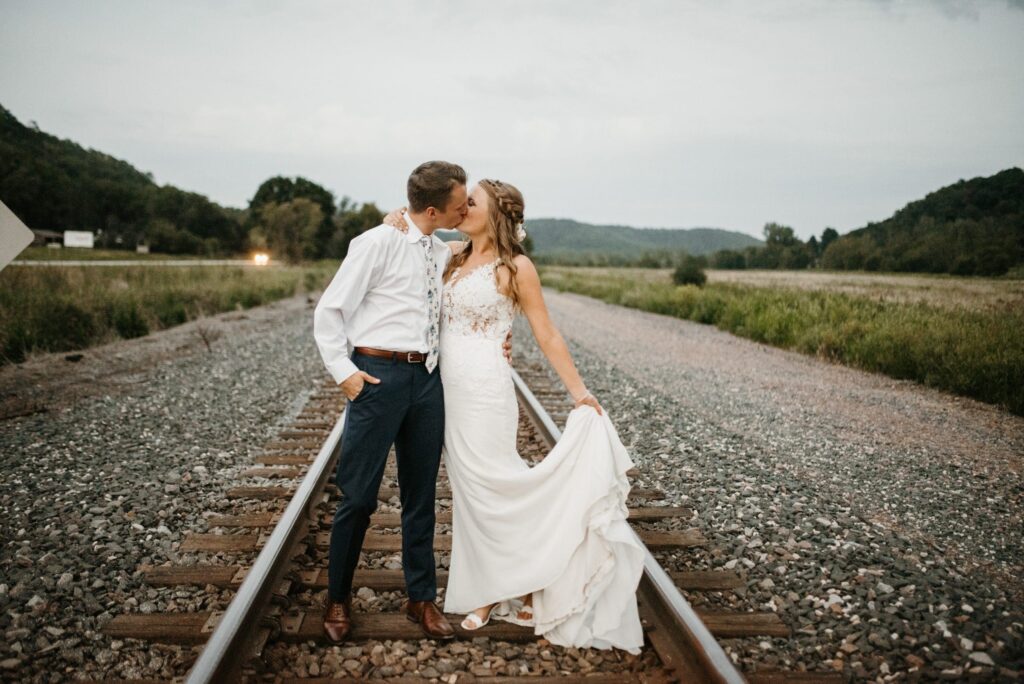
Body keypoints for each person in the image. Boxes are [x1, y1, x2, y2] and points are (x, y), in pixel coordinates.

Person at [382, 178, 644, 653]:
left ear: (495, 215)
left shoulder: (516, 266)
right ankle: (501, 584)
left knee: (495, 483)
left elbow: (546, 333)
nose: (462, 208)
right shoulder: (453, 257)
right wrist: (393, 219)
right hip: (448, 392)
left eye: (472, 203)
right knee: (470, 491)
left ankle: (509, 587)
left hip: (486, 390)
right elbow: (416, 235)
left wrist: (580, 392)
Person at [314, 160, 482, 642]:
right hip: (378, 376)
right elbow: (330, 311)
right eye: (459, 203)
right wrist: (345, 375)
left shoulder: (439, 249)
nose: (465, 208)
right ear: (432, 208)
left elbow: (490, 245)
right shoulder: (376, 243)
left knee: (421, 494)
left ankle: (421, 598)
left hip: (427, 380)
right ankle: (338, 598)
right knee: (359, 496)